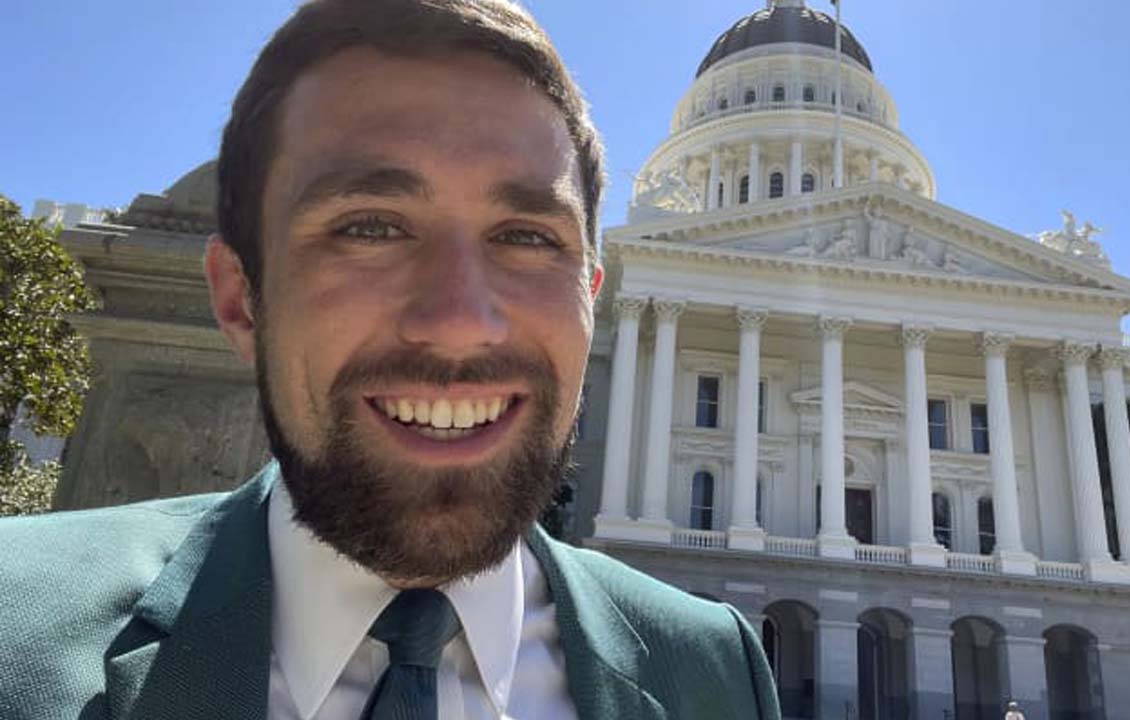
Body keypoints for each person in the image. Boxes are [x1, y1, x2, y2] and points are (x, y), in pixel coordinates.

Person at [0, 1, 781, 718]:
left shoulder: (714, 671)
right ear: (240, 299)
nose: (459, 324)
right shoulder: (17, 626)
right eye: (370, 227)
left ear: (589, 297)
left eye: (526, 237)